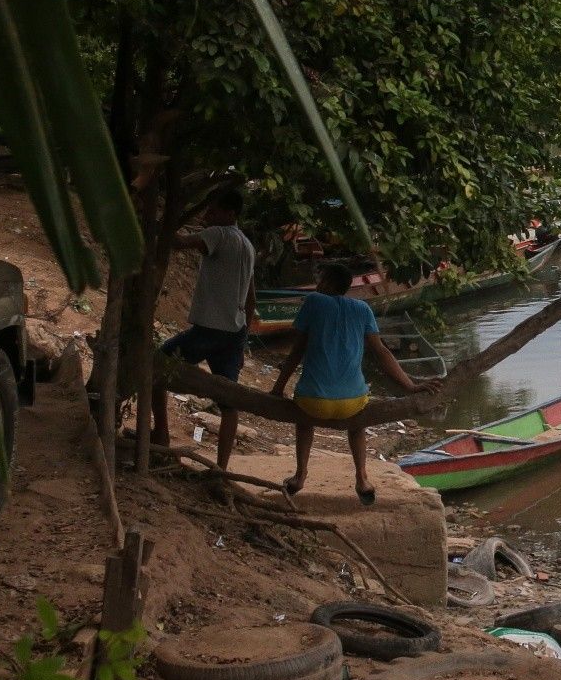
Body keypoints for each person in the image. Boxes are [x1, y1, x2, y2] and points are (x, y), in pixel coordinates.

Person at [270, 262, 439, 503]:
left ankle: (299, 476)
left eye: (320, 278)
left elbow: (297, 351)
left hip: (313, 403)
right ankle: (362, 478)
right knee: (357, 425)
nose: (317, 283)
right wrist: (410, 385)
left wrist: (277, 389)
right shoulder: (363, 309)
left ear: (327, 282)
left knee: (304, 422)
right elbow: (382, 352)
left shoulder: (314, 302)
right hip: (352, 403)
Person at [158, 187, 257, 461]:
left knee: (156, 367)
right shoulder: (247, 247)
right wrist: (244, 340)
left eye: (213, 210)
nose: (208, 215)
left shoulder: (218, 234)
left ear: (230, 213)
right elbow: (251, 299)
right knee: (229, 402)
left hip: (209, 330)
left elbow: (178, 243)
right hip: (234, 331)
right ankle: (221, 467)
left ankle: (161, 434)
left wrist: (157, 222)